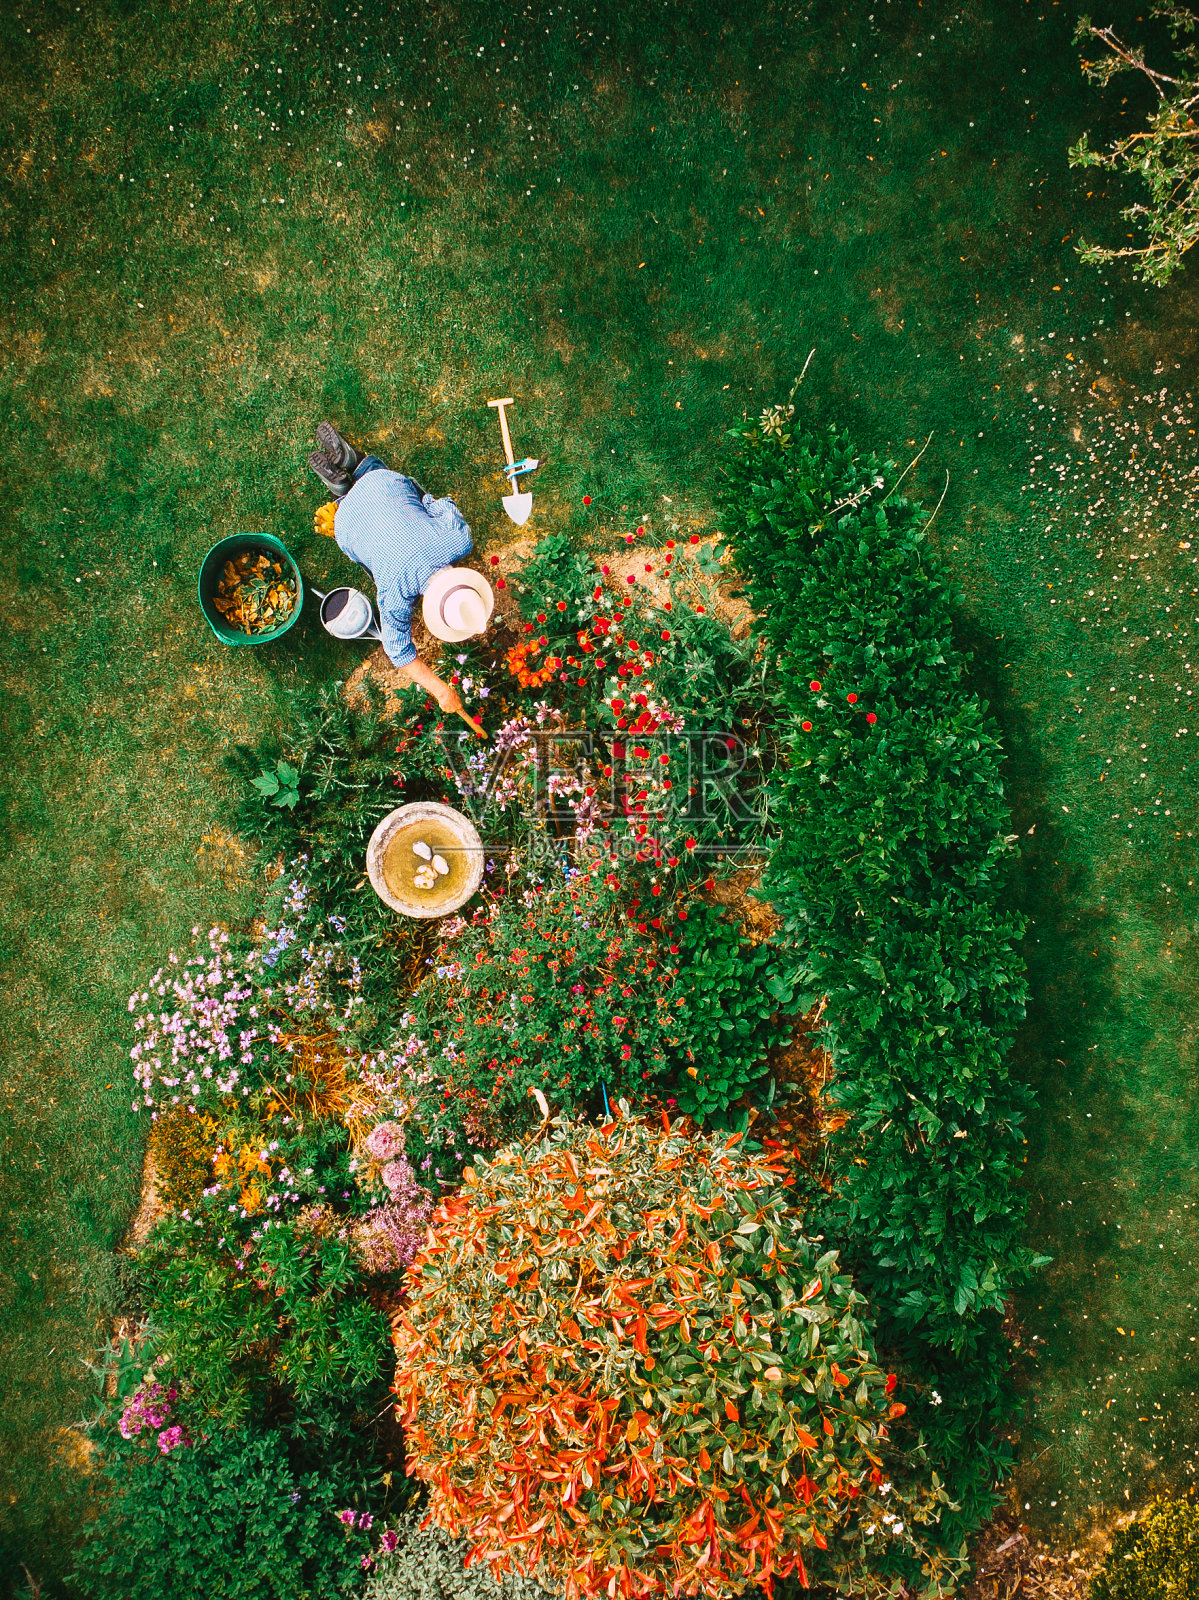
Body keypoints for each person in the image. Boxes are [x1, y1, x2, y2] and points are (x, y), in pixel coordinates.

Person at [309, 422, 491, 736]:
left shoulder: (460, 541)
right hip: (347, 522)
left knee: (403, 490)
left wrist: (417, 511)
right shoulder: (394, 592)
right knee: (370, 556)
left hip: (383, 483)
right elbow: (398, 651)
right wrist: (441, 691)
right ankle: (340, 491)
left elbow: (440, 504)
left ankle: (354, 464)